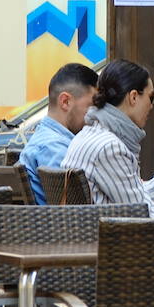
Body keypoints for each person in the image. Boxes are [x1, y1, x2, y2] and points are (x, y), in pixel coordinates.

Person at [60, 59, 154, 215]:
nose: (152, 105)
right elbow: (142, 214)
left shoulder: (87, 136)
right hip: (109, 237)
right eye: (152, 97)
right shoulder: (109, 147)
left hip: (95, 235)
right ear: (133, 97)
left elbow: (133, 199)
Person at [19, 62, 98, 205]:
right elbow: (80, 211)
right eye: (91, 106)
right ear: (65, 101)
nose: (95, 115)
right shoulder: (54, 148)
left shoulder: (49, 142)